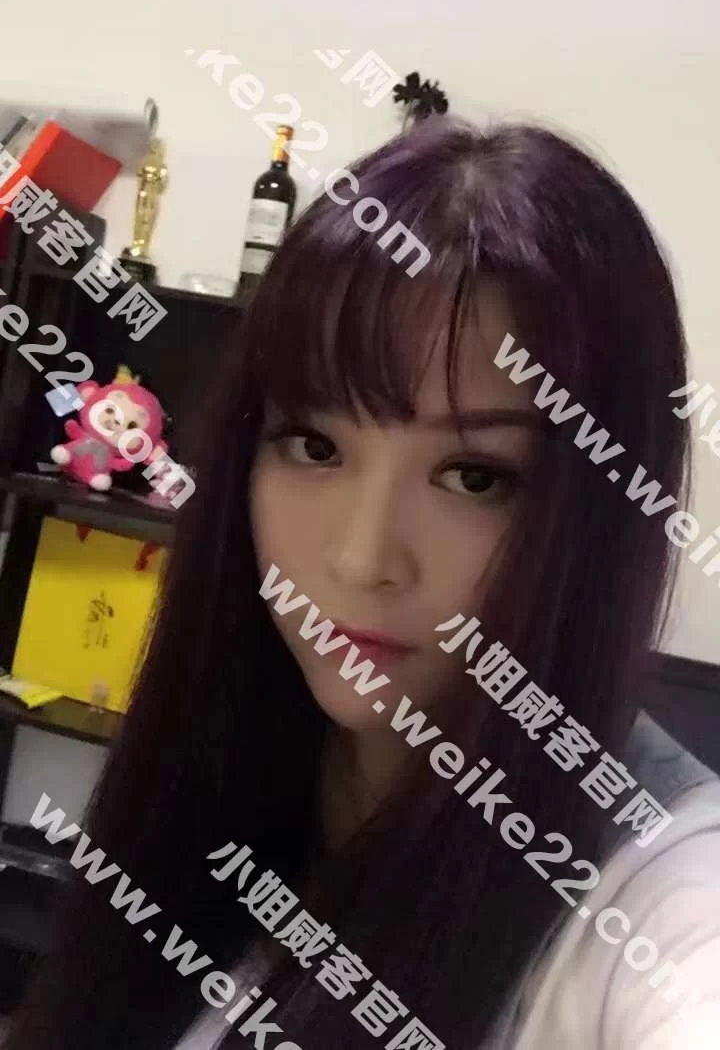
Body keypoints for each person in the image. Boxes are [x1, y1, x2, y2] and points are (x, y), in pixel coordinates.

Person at [7, 118, 720, 1050]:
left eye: (475, 476)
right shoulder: (220, 772)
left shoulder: (658, 900)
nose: (359, 557)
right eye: (314, 445)